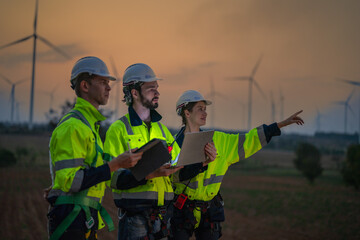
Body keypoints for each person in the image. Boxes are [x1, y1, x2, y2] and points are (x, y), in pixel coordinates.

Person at [170, 90, 304, 240]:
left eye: (205, 109)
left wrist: (279, 125)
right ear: (186, 113)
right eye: (200, 109)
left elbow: (249, 139)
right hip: (182, 212)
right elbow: (174, 177)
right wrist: (202, 163)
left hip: (209, 212)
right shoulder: (173, 145)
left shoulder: (220, 140)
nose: (205, 113)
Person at [103, 63, 217, 240]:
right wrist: (148, 174)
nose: (157, 93)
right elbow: (112, 178)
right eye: (151, 89)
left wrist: (201, 163)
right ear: (134, 92)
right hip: (136, 219)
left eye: (157, 88)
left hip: (164, 219)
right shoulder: (118, 130)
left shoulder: (163, 131)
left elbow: (177, 174)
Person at [46, 56, 143, 240]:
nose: (109, 87)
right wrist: (114, 164)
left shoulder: (89, 126)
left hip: (83, 217)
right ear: (85, 86)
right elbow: (72, 181)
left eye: (108, 82)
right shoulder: (73, 127)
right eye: (103, 82)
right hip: (71, 219)